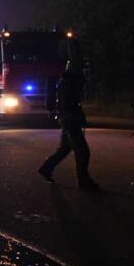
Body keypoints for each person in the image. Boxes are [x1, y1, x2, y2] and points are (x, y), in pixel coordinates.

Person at [38, 58, 100, 192]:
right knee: (82, 151)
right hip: (69, 120)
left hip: (67, 119)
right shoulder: (69, 82)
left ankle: (46, 168)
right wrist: (76, 116)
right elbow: (69, 104)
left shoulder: (68, 81)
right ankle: (83, 180)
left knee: (65, 148)